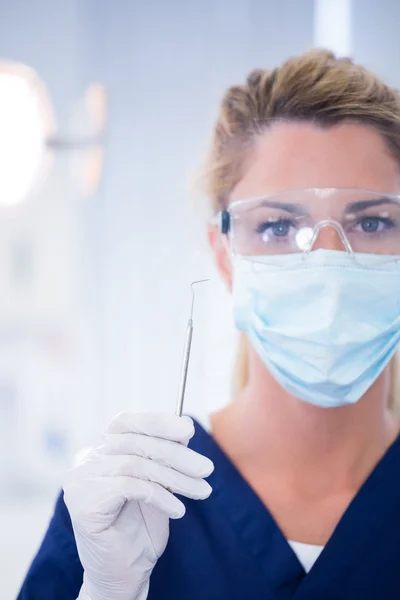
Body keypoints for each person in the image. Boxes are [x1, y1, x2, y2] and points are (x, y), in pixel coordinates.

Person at [18, 48, 400, 600]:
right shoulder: (130, 506)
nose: (327, 264)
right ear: (224, 257)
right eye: (276, 226)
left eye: (370, 221)